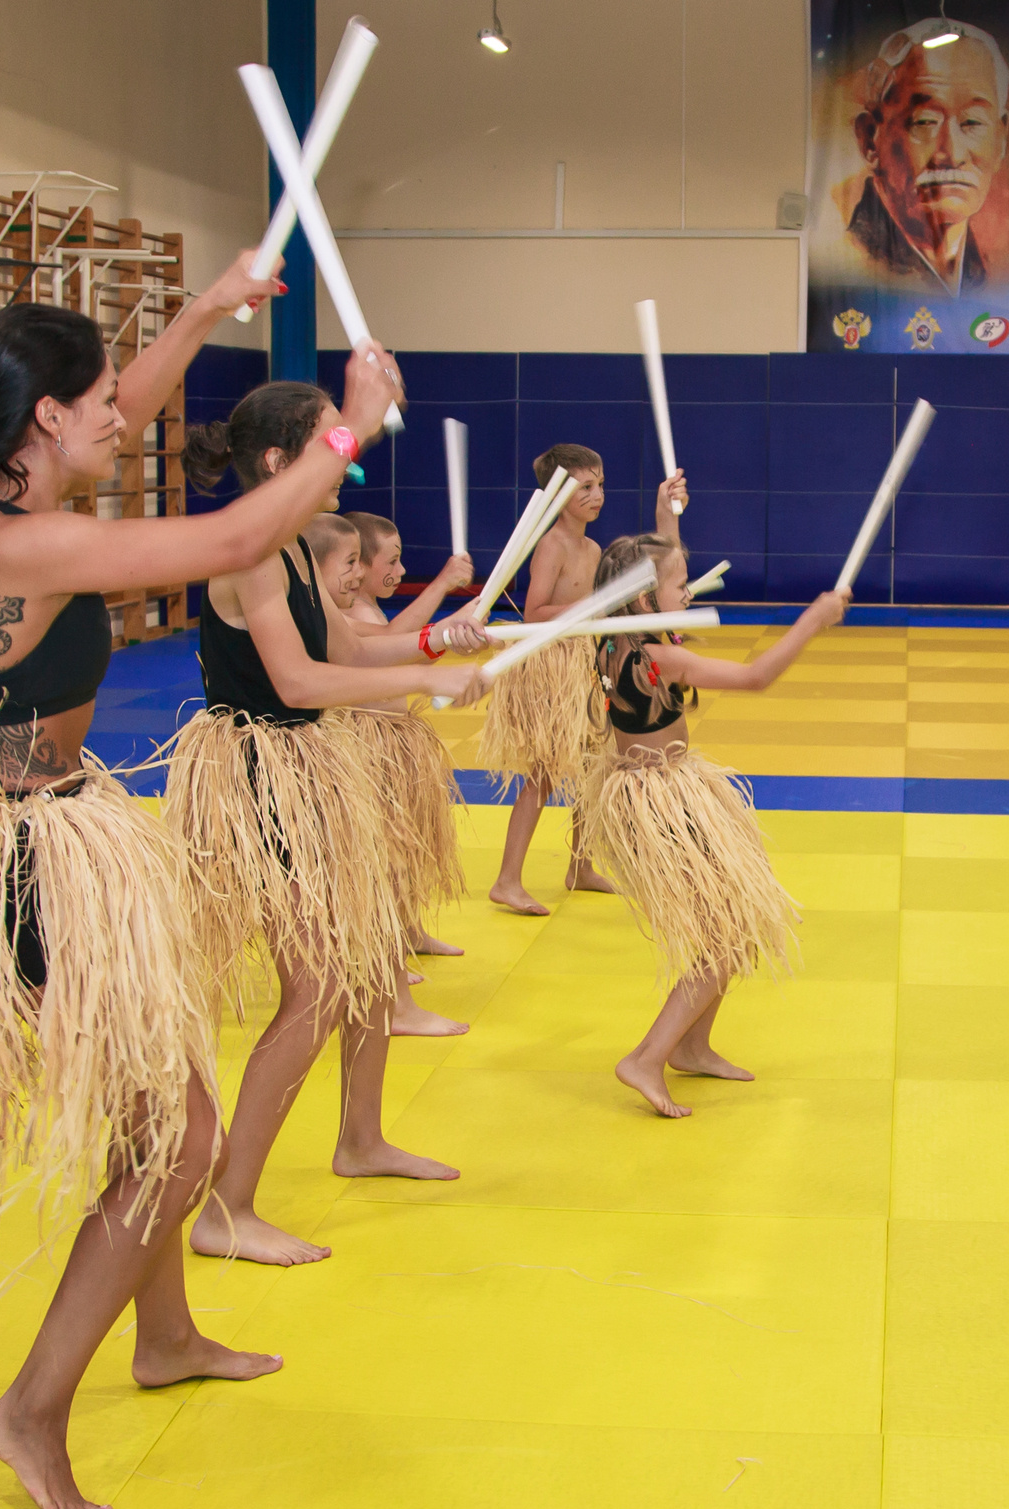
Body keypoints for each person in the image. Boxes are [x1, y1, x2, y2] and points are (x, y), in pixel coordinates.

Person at [0, 254, 389, 1509]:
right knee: (179, 1137)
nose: (123, 417)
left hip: (51, 826)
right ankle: (30, 1407)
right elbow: (232, 537)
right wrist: (351, 429)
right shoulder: (26, 542)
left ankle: (164, 1336)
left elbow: (130, 413)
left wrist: (204, 310)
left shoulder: (3, 504)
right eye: (99, 401)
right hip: (28, 865)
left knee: (167, 1103)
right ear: (45, 417)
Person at [164, 382, 487, 1278]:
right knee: (314, 990)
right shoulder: (250, 552)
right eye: (330, 441)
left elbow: (346, 652)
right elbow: (299, 683)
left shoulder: (300, 548)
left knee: (371, 956)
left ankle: (361, 1137)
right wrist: (425, 683)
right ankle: (226, 1208)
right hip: (261, 778)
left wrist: (437, 642)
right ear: (280, 461)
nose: (348, 455)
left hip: (310, 769)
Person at [576, 536, 850, 1117]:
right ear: (645, 600)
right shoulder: (659, 658)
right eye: (680, 584)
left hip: (651, 791)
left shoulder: (615, 642)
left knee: (732, 920)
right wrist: (815, 619)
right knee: (723, 938)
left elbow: (655, 568)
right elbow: (756, 678)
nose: (689, 592)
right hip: (665, 803)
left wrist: (666, 514)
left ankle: (692, 1046)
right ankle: (647, 1057)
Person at [478, 444, 687, 915]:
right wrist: (593, 604)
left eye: (600, 485)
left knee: (595, 764)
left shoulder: (593, 548)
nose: (597, 495)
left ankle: (580, 864)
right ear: (556, 495)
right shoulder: (552, 545)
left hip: (586, 665)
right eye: (585, 487)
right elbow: (535, 612)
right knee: (543, 773)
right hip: (553, 669)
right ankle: (507, 879)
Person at [335, 510, 472, 1038]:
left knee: (405, 851)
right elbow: (393, 640)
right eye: (389, 562)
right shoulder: (348, 610)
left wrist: (454, 629)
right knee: (385, 864)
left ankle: (407, 931)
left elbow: (406, 649)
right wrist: (443, 587)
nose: (398, 570)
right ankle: (393, 999)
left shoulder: (362, 602)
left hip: (393, 743)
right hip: (367, 748)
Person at [820, 17, 1009, 296]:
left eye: (972, 122)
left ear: (1001, 139)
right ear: (869, 139)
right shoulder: (835, 259)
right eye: (925, 121)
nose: (952, 153)